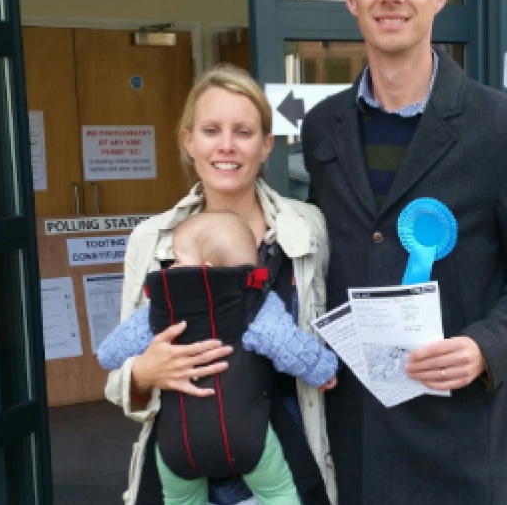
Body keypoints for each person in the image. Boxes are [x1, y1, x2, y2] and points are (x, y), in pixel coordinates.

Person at [301, 0, 507, 504]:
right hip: (359, 438)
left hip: (466, 445)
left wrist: (484, 346)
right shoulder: (322, 127)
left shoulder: (505, 129)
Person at [106, 64, 336, 505]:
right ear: (188, 140)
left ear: (266, 145)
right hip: (182, 470)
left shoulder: (308, 228)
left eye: (244, 131)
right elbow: (120, 371)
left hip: (283, 469)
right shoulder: (150, 240)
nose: (227, 145)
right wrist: (144, 373)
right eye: (211, 130)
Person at [98, 211, 337, 505]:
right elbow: (289, 345)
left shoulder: (161, 310)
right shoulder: (254, 303)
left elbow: (110, 354)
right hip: (249, 437)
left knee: (180, 499)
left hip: (178, 443)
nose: (171, 266)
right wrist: (323, 370)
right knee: (281, 494)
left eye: (178, 260)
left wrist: (145, 362)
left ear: (205, 268)